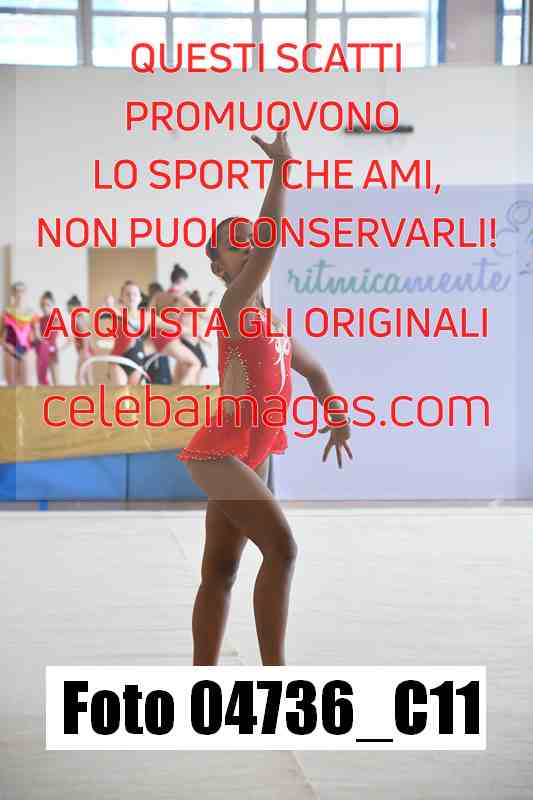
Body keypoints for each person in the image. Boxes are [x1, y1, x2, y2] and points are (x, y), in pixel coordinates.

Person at [178, 128, 352, 666]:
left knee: (220, 570)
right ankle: (276, 677)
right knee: (283, 549)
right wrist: (281, 168)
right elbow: (272, 242)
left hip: (254, 453)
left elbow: (316, 372)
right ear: (220, 268)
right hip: (220, 451)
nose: (251, 244)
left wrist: (337, 417)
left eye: (252, 235)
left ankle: (201, 679)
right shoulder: (232, 308)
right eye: (239, 242)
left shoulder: (273, 326)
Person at [149, 265, 203, 385]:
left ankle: (177, 390)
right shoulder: (181, 298)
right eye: (185, 284)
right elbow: (202, 314)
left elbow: (148, 315)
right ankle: (178, 393)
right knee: (195, 364)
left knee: (180, 369)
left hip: (155, 337)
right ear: (181, 281)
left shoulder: (158, 296)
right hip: (169, 337)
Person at [109, 281, 148, 386]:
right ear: (122, 298)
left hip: (136, 359)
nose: (131, 297)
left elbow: (172, 327)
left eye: (134, 294)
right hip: (118, 359)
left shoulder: (147, 316)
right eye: (127, 294)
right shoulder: (118, 313)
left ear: (140, 298)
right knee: (121, 391)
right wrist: (109, 305)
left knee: (132, 394)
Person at [0, 281, 39, 386]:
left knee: (26, 384)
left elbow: (37, 337)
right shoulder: (6, 313)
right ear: (13, 293)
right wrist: (7, 346)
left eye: (22, 291)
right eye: (17, 291)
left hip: (27, 351)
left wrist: (38, 344)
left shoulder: (32, 314)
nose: (19, 294)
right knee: (11, 385)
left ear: (26, 293)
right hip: (10, 350)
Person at [66, 295, 94, 385]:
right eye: (68, 309)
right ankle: (90, 393)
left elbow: (86, 336)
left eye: (70, 309)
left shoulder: (79, 319)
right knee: (87, 377)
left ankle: (85, 393)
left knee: (79, 377)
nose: (69, 311)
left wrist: (84, 352)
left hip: (85, 351)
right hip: (86, 351)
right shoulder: (80, 319)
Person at [34, 290, 60, 385]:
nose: (45, 307)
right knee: (41, 381)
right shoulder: (39, 320)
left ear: (52, 305)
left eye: (48, 305)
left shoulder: (55, 320)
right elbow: (36, 339)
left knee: (56, 382)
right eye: (43, 305)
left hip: (52, 353)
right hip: (41, 352)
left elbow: (51, 338)